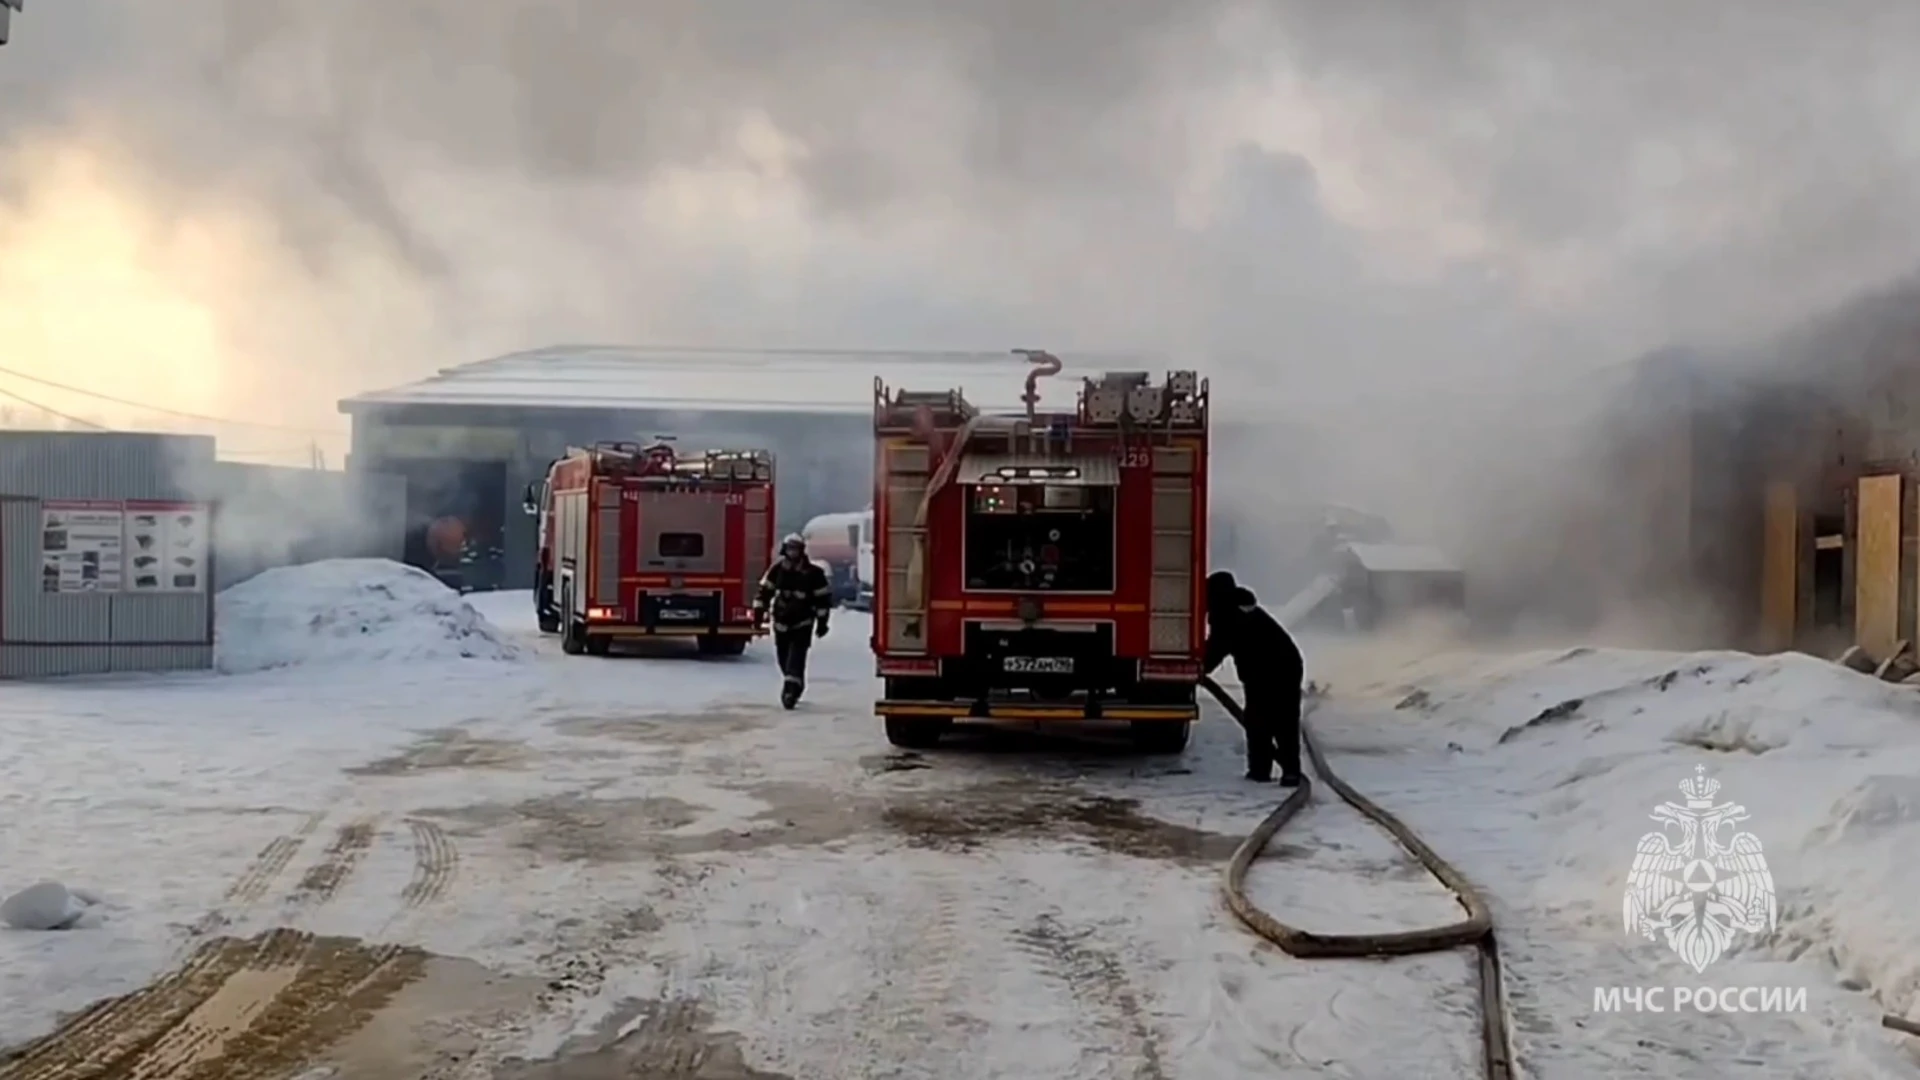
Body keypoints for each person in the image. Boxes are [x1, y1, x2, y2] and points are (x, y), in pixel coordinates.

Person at [1203, 570, 1305, 785]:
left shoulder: (1227, 614)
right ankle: (1273, 771)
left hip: (1276, 668)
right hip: (1283, 665)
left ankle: (1278, 771)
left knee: (1274, 720)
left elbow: (1216, 648)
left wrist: (1198, 668)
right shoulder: (1241, 608)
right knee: (1268, 719)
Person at [753, 533, 834, 709]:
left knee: (796, 659)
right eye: (790, 548)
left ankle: (790, 692)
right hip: (781, 622)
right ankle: (794, 683)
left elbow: (823, 600)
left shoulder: (814, 574)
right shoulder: (777, 570)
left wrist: (822, 622)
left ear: (802, 551)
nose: (793, 552)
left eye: (796, 549)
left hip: (802, 623)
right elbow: (764, 592)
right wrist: (758, 615)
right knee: (783, 660)